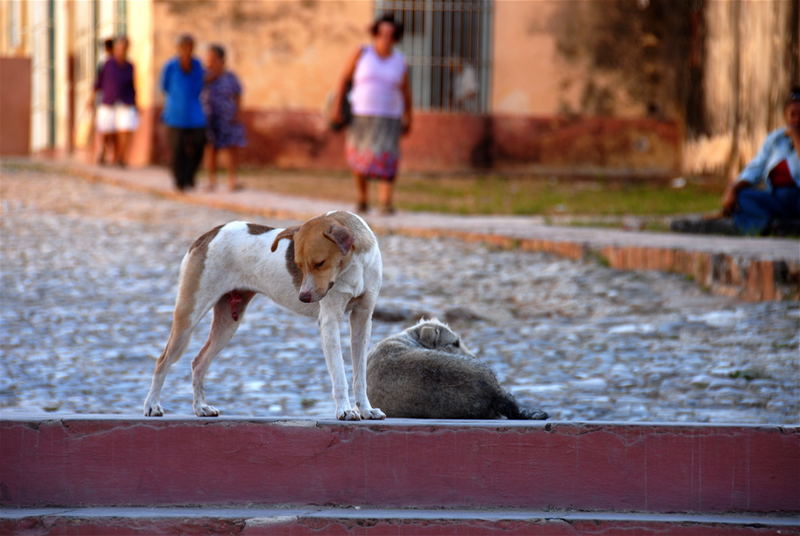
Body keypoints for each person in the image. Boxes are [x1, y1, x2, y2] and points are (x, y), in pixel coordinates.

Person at [672, 87, 800, 236]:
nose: (796, 120)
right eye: (793, 115)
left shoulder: (794, 135)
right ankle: (763, 225)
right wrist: (733, 188)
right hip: (778, 197)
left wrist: (796, 138)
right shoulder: (776, 139)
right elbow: (755, 168)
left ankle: (759, 223)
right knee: (743, 196)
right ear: (786, 115)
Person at [334, 14, 413, 215]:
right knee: (360, 158)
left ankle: (386, 201)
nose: (385, 38)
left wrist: (409, 116)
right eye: (381, 33)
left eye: (390, 34)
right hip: (361, 115)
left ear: (396, 37)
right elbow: (344, 79)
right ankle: (362, 198)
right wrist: (337, 107)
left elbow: (405, 91)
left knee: (387, 158)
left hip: (389, 117)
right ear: (375, 33)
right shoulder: (362, 53)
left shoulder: (399, 61)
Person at [160, 34, 206, 191]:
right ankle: (180, 180)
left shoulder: (198, 65)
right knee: (177, 149)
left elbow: (201, 84)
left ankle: (190, 175)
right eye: (184, 47)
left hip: (195, 113)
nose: (187, 50)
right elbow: (165, 87)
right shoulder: (170, 66)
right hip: (175, 114)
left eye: (190, 46)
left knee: (199, 143)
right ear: (178, 49)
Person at [201, 44, 246, 191]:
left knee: (230, 149)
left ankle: (232, 180)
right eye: (208, 60)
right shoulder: (204, 76)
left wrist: (238, 113)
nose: (210, 63)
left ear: (222, 60)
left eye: (213, 59)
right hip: (209, 117)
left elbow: (238, 95)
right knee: (211, 149)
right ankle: (211, 180)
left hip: (228, 118)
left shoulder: (230, 77)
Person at [90, 36, 138, 167]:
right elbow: (98, 83)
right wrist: (91, 99)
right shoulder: (107, 64)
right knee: (106, 130)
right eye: (119, 48)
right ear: (115, 49)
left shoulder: (130, 66)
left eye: (124, 48)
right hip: (108, 101)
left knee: (126, 129)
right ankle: (103, 152)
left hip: (125, 101)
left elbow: (133, 85)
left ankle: (121, 158)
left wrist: (134, 102)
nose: (121, 51)